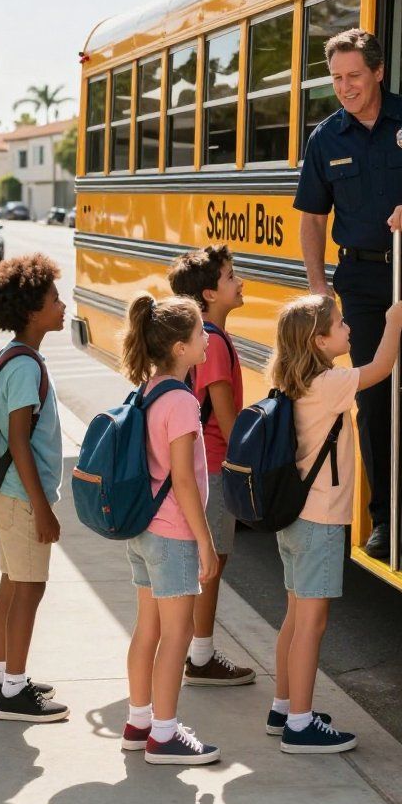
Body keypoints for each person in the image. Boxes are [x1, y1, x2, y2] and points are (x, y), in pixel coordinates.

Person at [294, 28, 402, 559]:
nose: (345, 87)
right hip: (359, 283)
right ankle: (385, 518)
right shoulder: (326, 138)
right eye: (337, 78)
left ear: (379, 72)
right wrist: (320, 292)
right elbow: (313, 218)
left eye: (354, 76)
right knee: (373, 397)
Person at [270, 292, 402, 753]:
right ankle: (301, 725)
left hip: (295, 519)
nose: (349, 328)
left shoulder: (295, 381)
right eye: (341, 324)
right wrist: (392, 322)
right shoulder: (328, 382)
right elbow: (382, 368)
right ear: (319, 340)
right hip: (320, 519)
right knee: (313, 623)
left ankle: (284, 706)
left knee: (295, 616)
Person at [119, 293, 222, 766]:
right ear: (180, 347)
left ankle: (139, 722)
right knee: (177, 635)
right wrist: (205, 541)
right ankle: (164, 734)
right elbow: (183, 479)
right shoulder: (181, 401)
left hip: (144, 530)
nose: (207, 339)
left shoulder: (148, 390)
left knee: (148, 630)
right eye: (201, 332)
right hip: (173, 533)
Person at [0, 254, 69, 723]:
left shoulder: (14, 358)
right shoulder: (25, 367)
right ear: (32, 310)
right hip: (21, 496)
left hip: (10, 495)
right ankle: (14, 690)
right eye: (55, 299)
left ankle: (0, 678)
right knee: (29, 588)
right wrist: (43, 506)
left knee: (12, 584)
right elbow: (18, 441)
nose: (63, 305)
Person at [167, 245, 256, 686]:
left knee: (210, 561)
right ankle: (200, 657)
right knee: (212, 563)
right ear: (209, 292)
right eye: (230, 277)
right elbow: (227, 419)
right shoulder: (215, 342)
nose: (239, 282)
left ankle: (197, 652)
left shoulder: (207, 336)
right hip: (217, 464)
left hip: (207, 462)